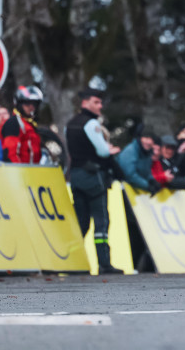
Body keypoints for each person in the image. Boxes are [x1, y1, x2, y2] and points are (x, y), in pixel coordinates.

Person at [66, 88, 122, 275]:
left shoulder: (70, 123)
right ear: (86, 103)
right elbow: (103, 152)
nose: (100, 106)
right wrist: (111, 150)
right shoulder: (91, 124)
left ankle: (74, 264)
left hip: (75, 176)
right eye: (96, 102)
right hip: (93, 177)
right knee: (101, 222)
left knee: (81, 222)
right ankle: (104, 263)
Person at [1, 85, 44, 164]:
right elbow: (10, 153)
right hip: (21, 173)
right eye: (27, 103)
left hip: (35, 171)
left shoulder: (31, 124)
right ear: (19, 104)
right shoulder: (14, 123)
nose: (31, 107)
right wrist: (20, 172)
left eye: (34, 104)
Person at [116, 128, 160, 193]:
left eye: (152, 139)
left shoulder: (148, 153)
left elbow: (147, 171)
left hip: (137, 193)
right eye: (146, 138)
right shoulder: (130, 151)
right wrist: (147, 185)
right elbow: (129, 175)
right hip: (123, 191)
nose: (149, 142)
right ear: (140, 138)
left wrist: (152, 180)